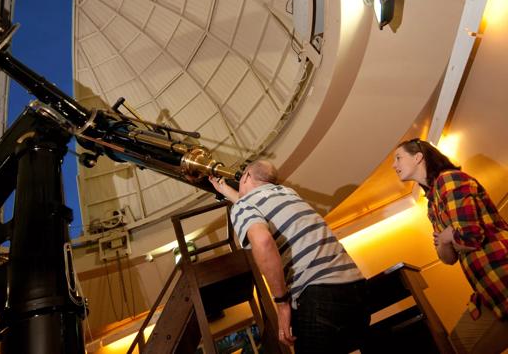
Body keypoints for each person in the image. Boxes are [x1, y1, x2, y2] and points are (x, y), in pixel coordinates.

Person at [209, 159, 369, 353]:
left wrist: (282, 303)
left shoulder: (243, 207)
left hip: (318, 295)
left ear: (247, 176)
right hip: (358, 290)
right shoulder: (288, 193)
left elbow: (263, 242)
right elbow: (252, 201)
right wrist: (225, 190)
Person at [393, 138, 508, 354]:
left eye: (398, 157)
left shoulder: (449, 180)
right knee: (454, 344)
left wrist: (448, 238)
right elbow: (448, 258)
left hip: (502, 277)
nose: (393, 165)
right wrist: (447, 239)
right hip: (488, 289)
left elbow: (470, 237)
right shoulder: (431, 204)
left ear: (418, 157)